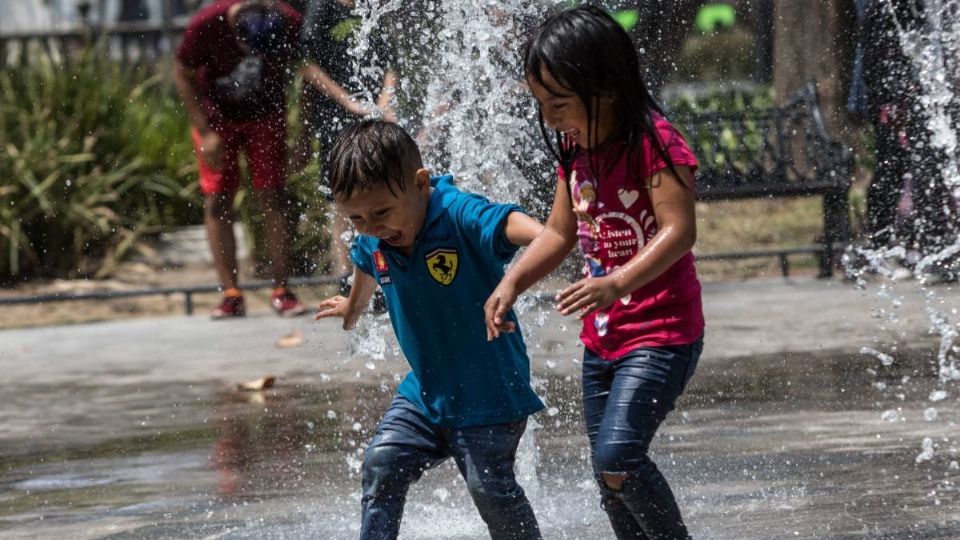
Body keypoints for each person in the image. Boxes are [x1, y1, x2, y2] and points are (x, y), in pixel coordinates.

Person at [483, 5, 704, 538]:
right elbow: (558, 234)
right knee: (608, 477)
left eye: (559, 104)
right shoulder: (577, 151)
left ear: (605, 85)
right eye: (542, 105)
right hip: (603, 339)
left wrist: (617, 282)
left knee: (619, 458)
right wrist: (511, 280)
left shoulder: (654, 141)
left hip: (662, 332)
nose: (551, 119)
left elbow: (680, 230)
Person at [315, 120, 544, 539]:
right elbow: (367, 263)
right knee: (381, 465)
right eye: (357, 217)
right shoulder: (375, 236)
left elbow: (530, 231)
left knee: (489, 488)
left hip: (490, 393)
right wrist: (352, 305)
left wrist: (524, 271)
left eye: (381, 212)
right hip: (426, 390)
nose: (371, 226)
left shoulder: (457, 215)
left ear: (421, 183)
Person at [173, 0, 309, 318]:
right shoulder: (206, 24)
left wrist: (302, 134)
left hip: (267, 116)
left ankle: (282, 290)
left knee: (273, 197)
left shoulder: (289, 22)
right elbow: (182, 73)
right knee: (218, 200)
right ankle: (231, 294)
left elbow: (306, 74)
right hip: (217, 119)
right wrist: (205, 131)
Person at [296, 0, 398, 279]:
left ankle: (380, 269)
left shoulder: (371, 6)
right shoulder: (322, 7)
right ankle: (345, 273)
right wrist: (347, 101)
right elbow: (307, 66)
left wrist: (384, 101)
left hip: (373, 113)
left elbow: (391, 62)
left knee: (379, 188)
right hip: (334, 115)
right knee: (341, 195)